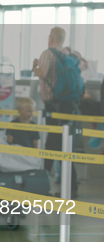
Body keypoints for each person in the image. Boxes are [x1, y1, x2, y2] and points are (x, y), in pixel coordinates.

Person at [33, 27, 87, 199]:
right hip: (70, 107)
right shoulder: (70, 54)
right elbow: (85, 65)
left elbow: (42, 73)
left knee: (53, 147)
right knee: (62, 147)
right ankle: (70, 188)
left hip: (54, 108)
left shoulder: (47, 54)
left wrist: (35, 66)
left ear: (51, 38)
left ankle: (42, 187)